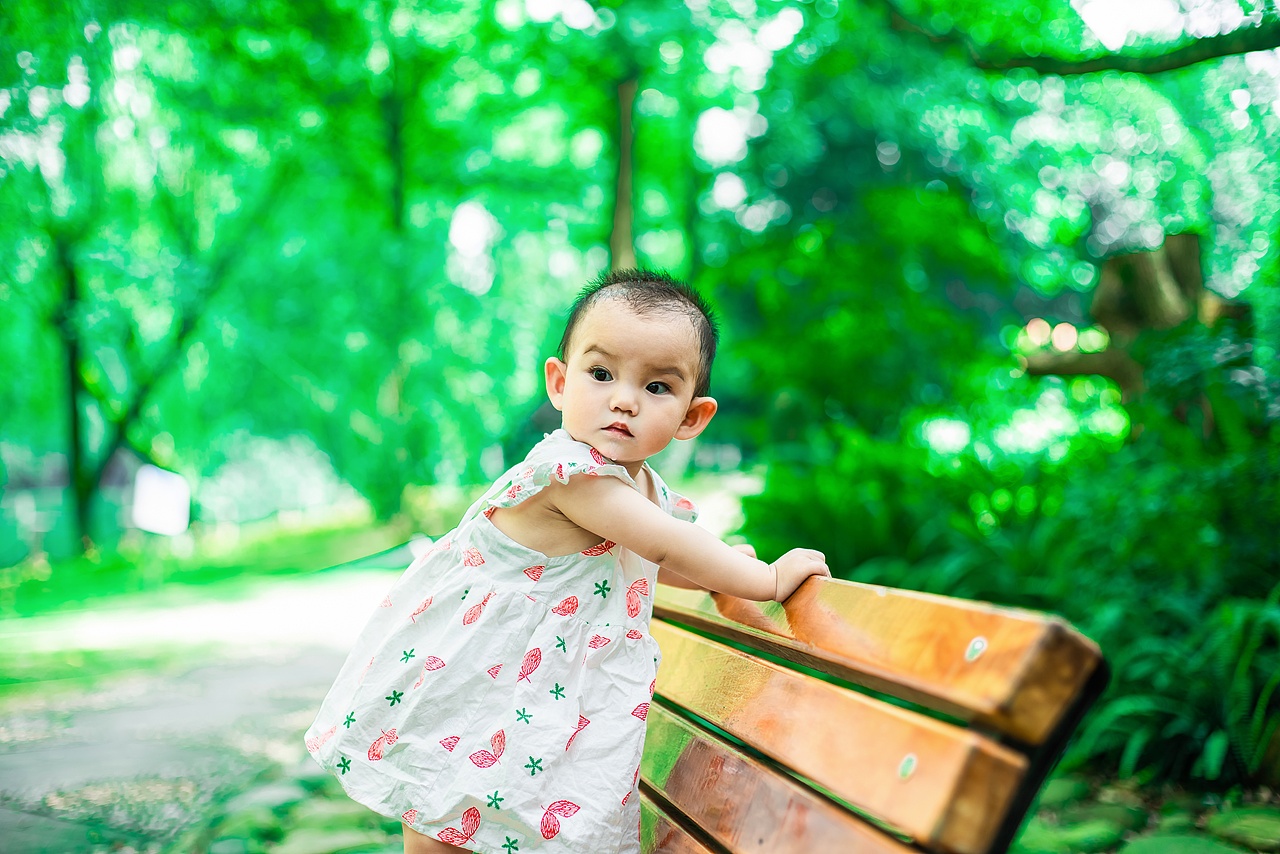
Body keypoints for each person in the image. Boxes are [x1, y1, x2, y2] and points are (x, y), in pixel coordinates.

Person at [304, 269, 830, 853]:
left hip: (529, 694)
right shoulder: (573, 476)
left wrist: (720, 567)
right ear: (559, 382)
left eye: (657, 386)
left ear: (691, 417)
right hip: (477, 680)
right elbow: (666, 544)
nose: (624, 399)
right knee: (441, 828)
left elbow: (655, 558)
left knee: (484, 823)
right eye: (601, 374)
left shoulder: (638, 490)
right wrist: (765, 578)